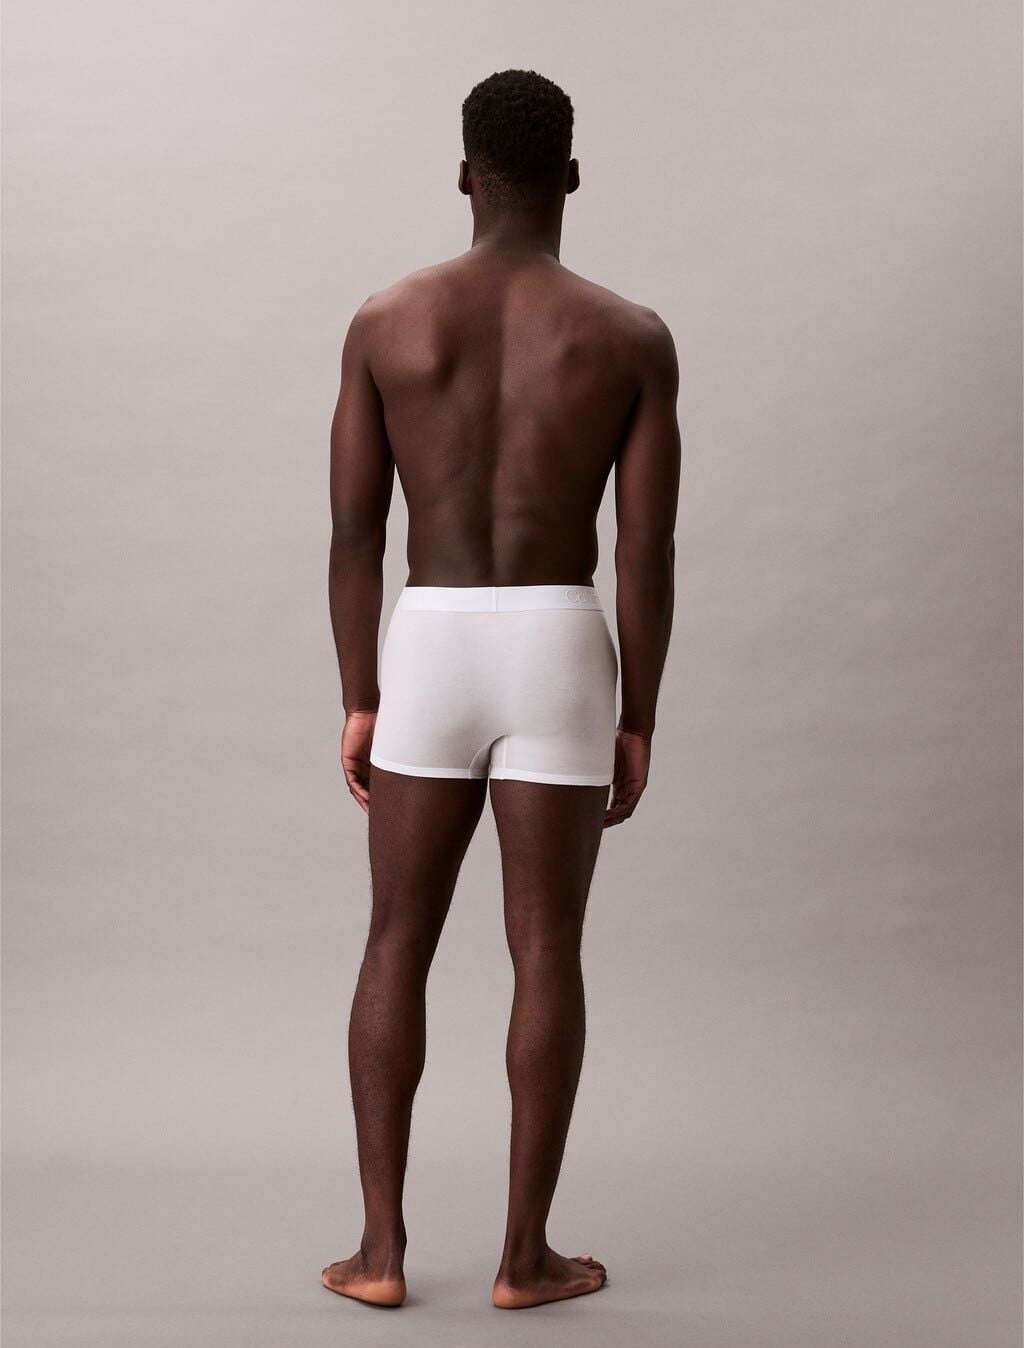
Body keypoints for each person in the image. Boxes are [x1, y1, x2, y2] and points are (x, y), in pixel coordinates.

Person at [322, 68, 681, 1311]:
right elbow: (645, 549)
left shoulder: (386, 321)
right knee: (547, 949)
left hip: (430, 638)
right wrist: (637, 713)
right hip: (559, 640)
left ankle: (379, 1253)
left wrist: (361, 693)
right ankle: (526, 1259)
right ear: (570, 177)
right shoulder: (630, 336)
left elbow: (354, 534)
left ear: (464, 176)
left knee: (395, 939)